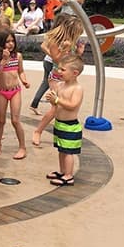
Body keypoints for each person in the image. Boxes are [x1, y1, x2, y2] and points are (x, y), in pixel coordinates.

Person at [31, 16, 85, 146]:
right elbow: (57, 60)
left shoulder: (70, 41)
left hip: (66, 78)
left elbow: (70, 61)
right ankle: (38, 131)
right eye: (76, 33)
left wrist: (78, 53)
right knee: (55, 108)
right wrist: (64, 48)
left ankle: (60, 130)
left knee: (61, 107)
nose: (77, 37)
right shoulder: (56, 41)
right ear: (70, 30)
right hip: (56, 77)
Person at [44, 54, 84, 186]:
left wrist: (57, 100)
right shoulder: (61, 85)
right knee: (61, 149)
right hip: (59, 124)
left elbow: (73, 105)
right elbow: (56, 103)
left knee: (68, 152)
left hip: (70, 126)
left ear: (75, 73)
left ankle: (68, 175)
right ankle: (62, 171)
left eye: (62, 70)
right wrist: (52, 98)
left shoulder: (77, 89)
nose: (59, 72)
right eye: (59, 69)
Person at [0, 30, 30, 159]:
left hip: (15, 91)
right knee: (1, 120)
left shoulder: (18, 56)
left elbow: (21, 71)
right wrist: (3, 60)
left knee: (15, 120)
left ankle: (22, 147)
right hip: (1, 92)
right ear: (1, 43)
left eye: (12, 41)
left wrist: (24, 80)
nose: (10, 44)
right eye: (7, 41)